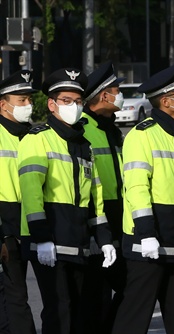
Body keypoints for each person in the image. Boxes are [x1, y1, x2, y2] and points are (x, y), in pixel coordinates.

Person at [18, 68, 116, 334]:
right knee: (59, 310)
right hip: (48, 239)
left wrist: (104, 238)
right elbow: (31, 193)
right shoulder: (37, 139)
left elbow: (94, 195)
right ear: (51, 104)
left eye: (78, 101)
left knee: (81, 310)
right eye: (66, 101)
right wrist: (42, 237)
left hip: (79, 241)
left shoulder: (84, 145)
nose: (74, 106)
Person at [111, 64, 174, 334]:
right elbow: (137, 187)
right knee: (134, 318)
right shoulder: (142, 135)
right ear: (165, 100)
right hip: (147, 245)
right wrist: (146, 233)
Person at [81, 61, 127, 333]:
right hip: (97, 215)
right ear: (102, 95)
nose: (119, 94)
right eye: (116, 89)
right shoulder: (84, 127)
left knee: (128, 287)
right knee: (95, 293)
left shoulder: (111, 128)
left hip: (120, 214)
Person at [0, 70, 37, 334]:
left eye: (29, 100)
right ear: (3, 104)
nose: (27, 105)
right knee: (15, 296)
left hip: (36, 224)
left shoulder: (33, 135)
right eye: (21, 100)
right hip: (7, 226)